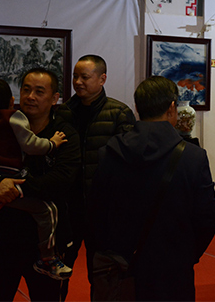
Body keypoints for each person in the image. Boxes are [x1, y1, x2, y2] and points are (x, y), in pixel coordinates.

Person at [90, 76, 215, 301]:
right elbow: (207, 218)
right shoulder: (193, 157)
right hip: (173, 270)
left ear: (137, 108)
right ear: (172, 108)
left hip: (122, 267)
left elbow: (96, 214)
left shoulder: (110, 152)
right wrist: (186, 255)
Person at [0, 68, 81, 301]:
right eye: (26, 90)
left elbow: (61, 180)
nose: (30, 97)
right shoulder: (2, 125)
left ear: (54, 98)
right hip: (1, 236)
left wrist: (14, 188)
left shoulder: (64, 134)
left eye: (39, 91)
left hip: (47, 242)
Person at [55, 54, 136, 294]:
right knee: (58, 270)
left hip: (102, 210)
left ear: (102, 79)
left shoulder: (119, 113)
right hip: (68, 207)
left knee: (102, 274)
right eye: (75, 77)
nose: (78, 82)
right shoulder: (64, 112)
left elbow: (128, 165)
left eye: (84, 77)